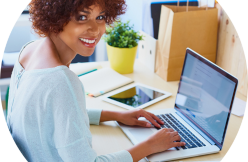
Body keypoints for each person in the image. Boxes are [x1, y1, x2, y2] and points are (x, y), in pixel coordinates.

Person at [5, 0, 185, 161]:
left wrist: (115, 115)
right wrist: (150, 146)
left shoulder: (29, 51)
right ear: (55, 18)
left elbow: (51, 115)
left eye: (100, 16)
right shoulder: (61, 80)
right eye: (82, 17)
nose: (96, 29)